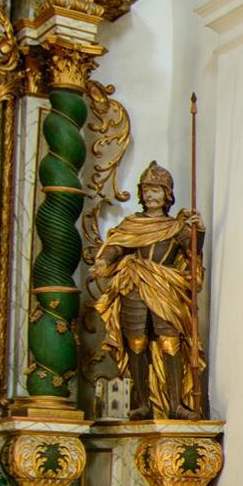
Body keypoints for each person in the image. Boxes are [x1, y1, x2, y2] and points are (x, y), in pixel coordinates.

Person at [90, 161, 207, 420]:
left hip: (165, 286)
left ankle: (176, 403)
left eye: (156, 190)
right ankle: (142, 402)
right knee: (136, 342)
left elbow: (192, 252)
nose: (151, 195)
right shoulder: (132, 224)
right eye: (147, 190)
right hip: (134, 284)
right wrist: (103, 260)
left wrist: (198, 231)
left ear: (167, 195)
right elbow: (118, 245)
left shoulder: (175, 226)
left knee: (170, 341)